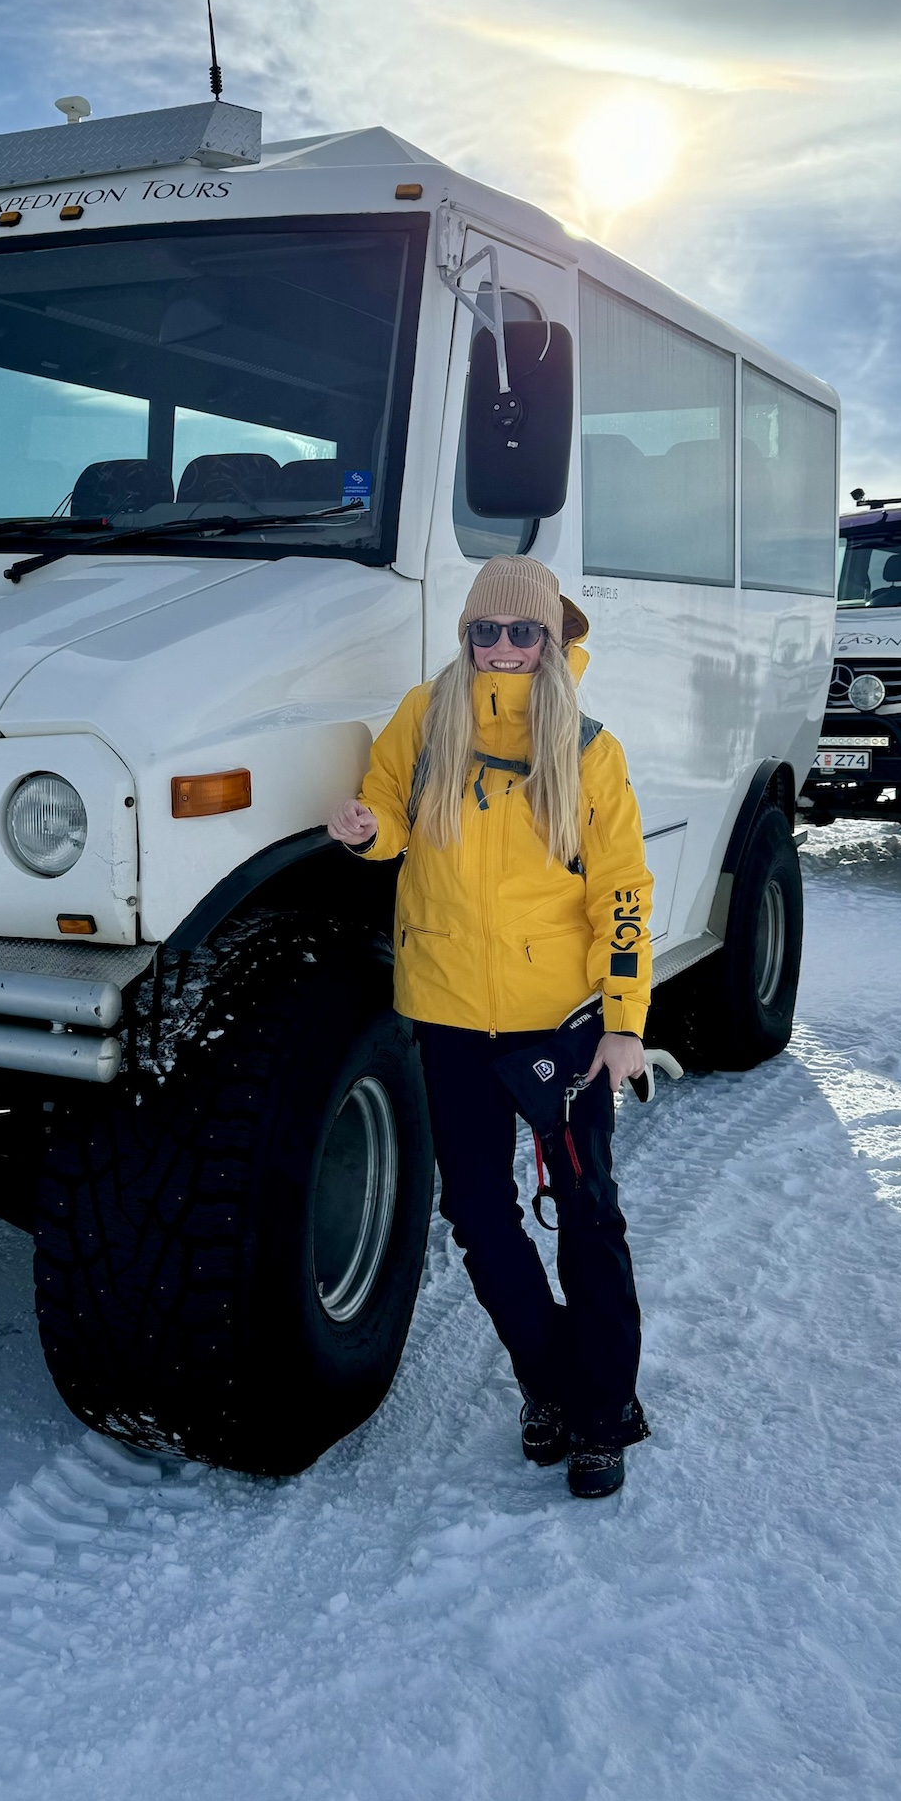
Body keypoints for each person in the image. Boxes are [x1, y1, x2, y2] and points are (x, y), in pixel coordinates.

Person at [326, 554, 651, 1499]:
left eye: (523, 633)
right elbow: (389, 799)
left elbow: (623, 892)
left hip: (567, 1029)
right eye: (485, 632)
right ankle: (550, 1383)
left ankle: (603, 1415)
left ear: (553, 640)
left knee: (587, 1219)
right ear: (465, 634)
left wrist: (623, 1022)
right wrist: (366, 831)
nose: (502, 650)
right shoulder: (428, 716)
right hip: (451, 1019)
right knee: (475, 1214)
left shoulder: (590, 748)